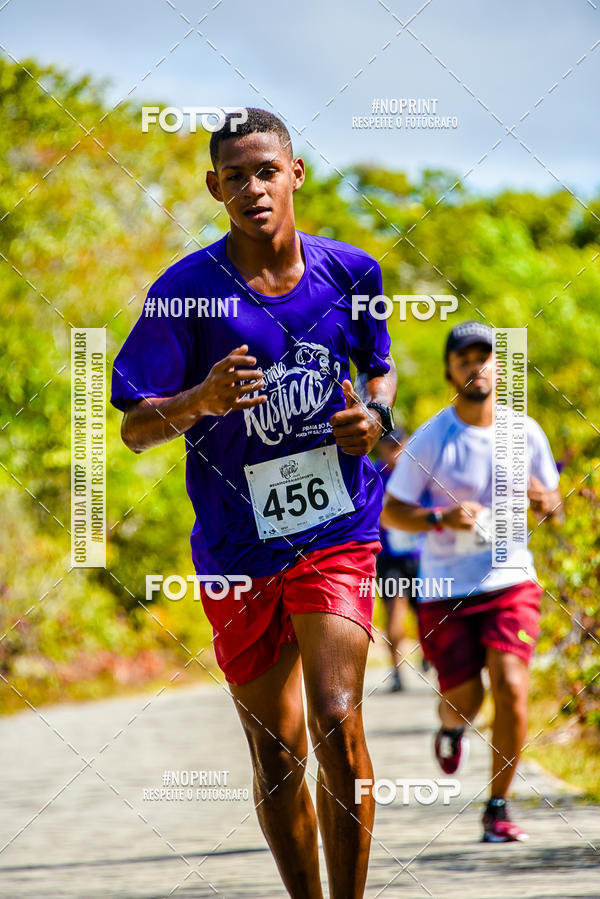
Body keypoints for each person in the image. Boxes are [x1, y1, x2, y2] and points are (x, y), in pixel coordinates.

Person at [111, 108, 397, 898]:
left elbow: (379, 368)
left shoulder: (353, 273)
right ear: (214, 188)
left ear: (295, 173)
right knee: (277, 752)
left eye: (266, 170)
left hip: (336, 527)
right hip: (237, 547)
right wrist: (200, 399)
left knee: (336, 714)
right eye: (234, 176)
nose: (253, 188)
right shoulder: (184, 294)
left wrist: (376, 418)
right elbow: (134, 428)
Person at [381, 320, 561, 843]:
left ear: (499, 368)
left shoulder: (525, 431)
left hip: (511, 578)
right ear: (449, 371)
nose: (475, 368)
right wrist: (442, 518)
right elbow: (392, 512)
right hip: (445, 588)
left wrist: (545, 501)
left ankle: (498, 807)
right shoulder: (432, 438)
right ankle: (451, 724)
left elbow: (552, 504)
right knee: (466, 698)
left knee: (511, 685)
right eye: (464, 359)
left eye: (485, 358)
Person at [374, 429, 423, 691]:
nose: (394, 453)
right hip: (389, 559)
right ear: (380, 447)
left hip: (420, 556)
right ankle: (396, 672)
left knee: (427, 613)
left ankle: (429, 653)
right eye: (389, 447)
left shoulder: (418, 471)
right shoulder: (373, 474)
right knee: (394, 614)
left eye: (398, 446)